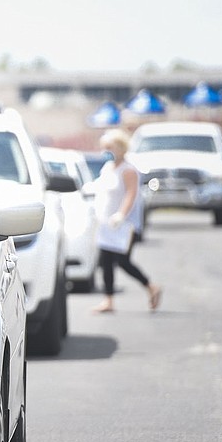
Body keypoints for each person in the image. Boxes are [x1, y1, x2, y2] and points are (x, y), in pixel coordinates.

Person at [92, 128, 162, 313]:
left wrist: (121, 215)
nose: (106, 151)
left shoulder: (128, 170)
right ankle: (108, 300)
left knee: (123, 261)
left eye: (110, 147)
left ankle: (151, 286)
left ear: (121, 148)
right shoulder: (107, 168)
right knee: (105, 261)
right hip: (106, 224)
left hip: (124, 225)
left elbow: (131, 195)